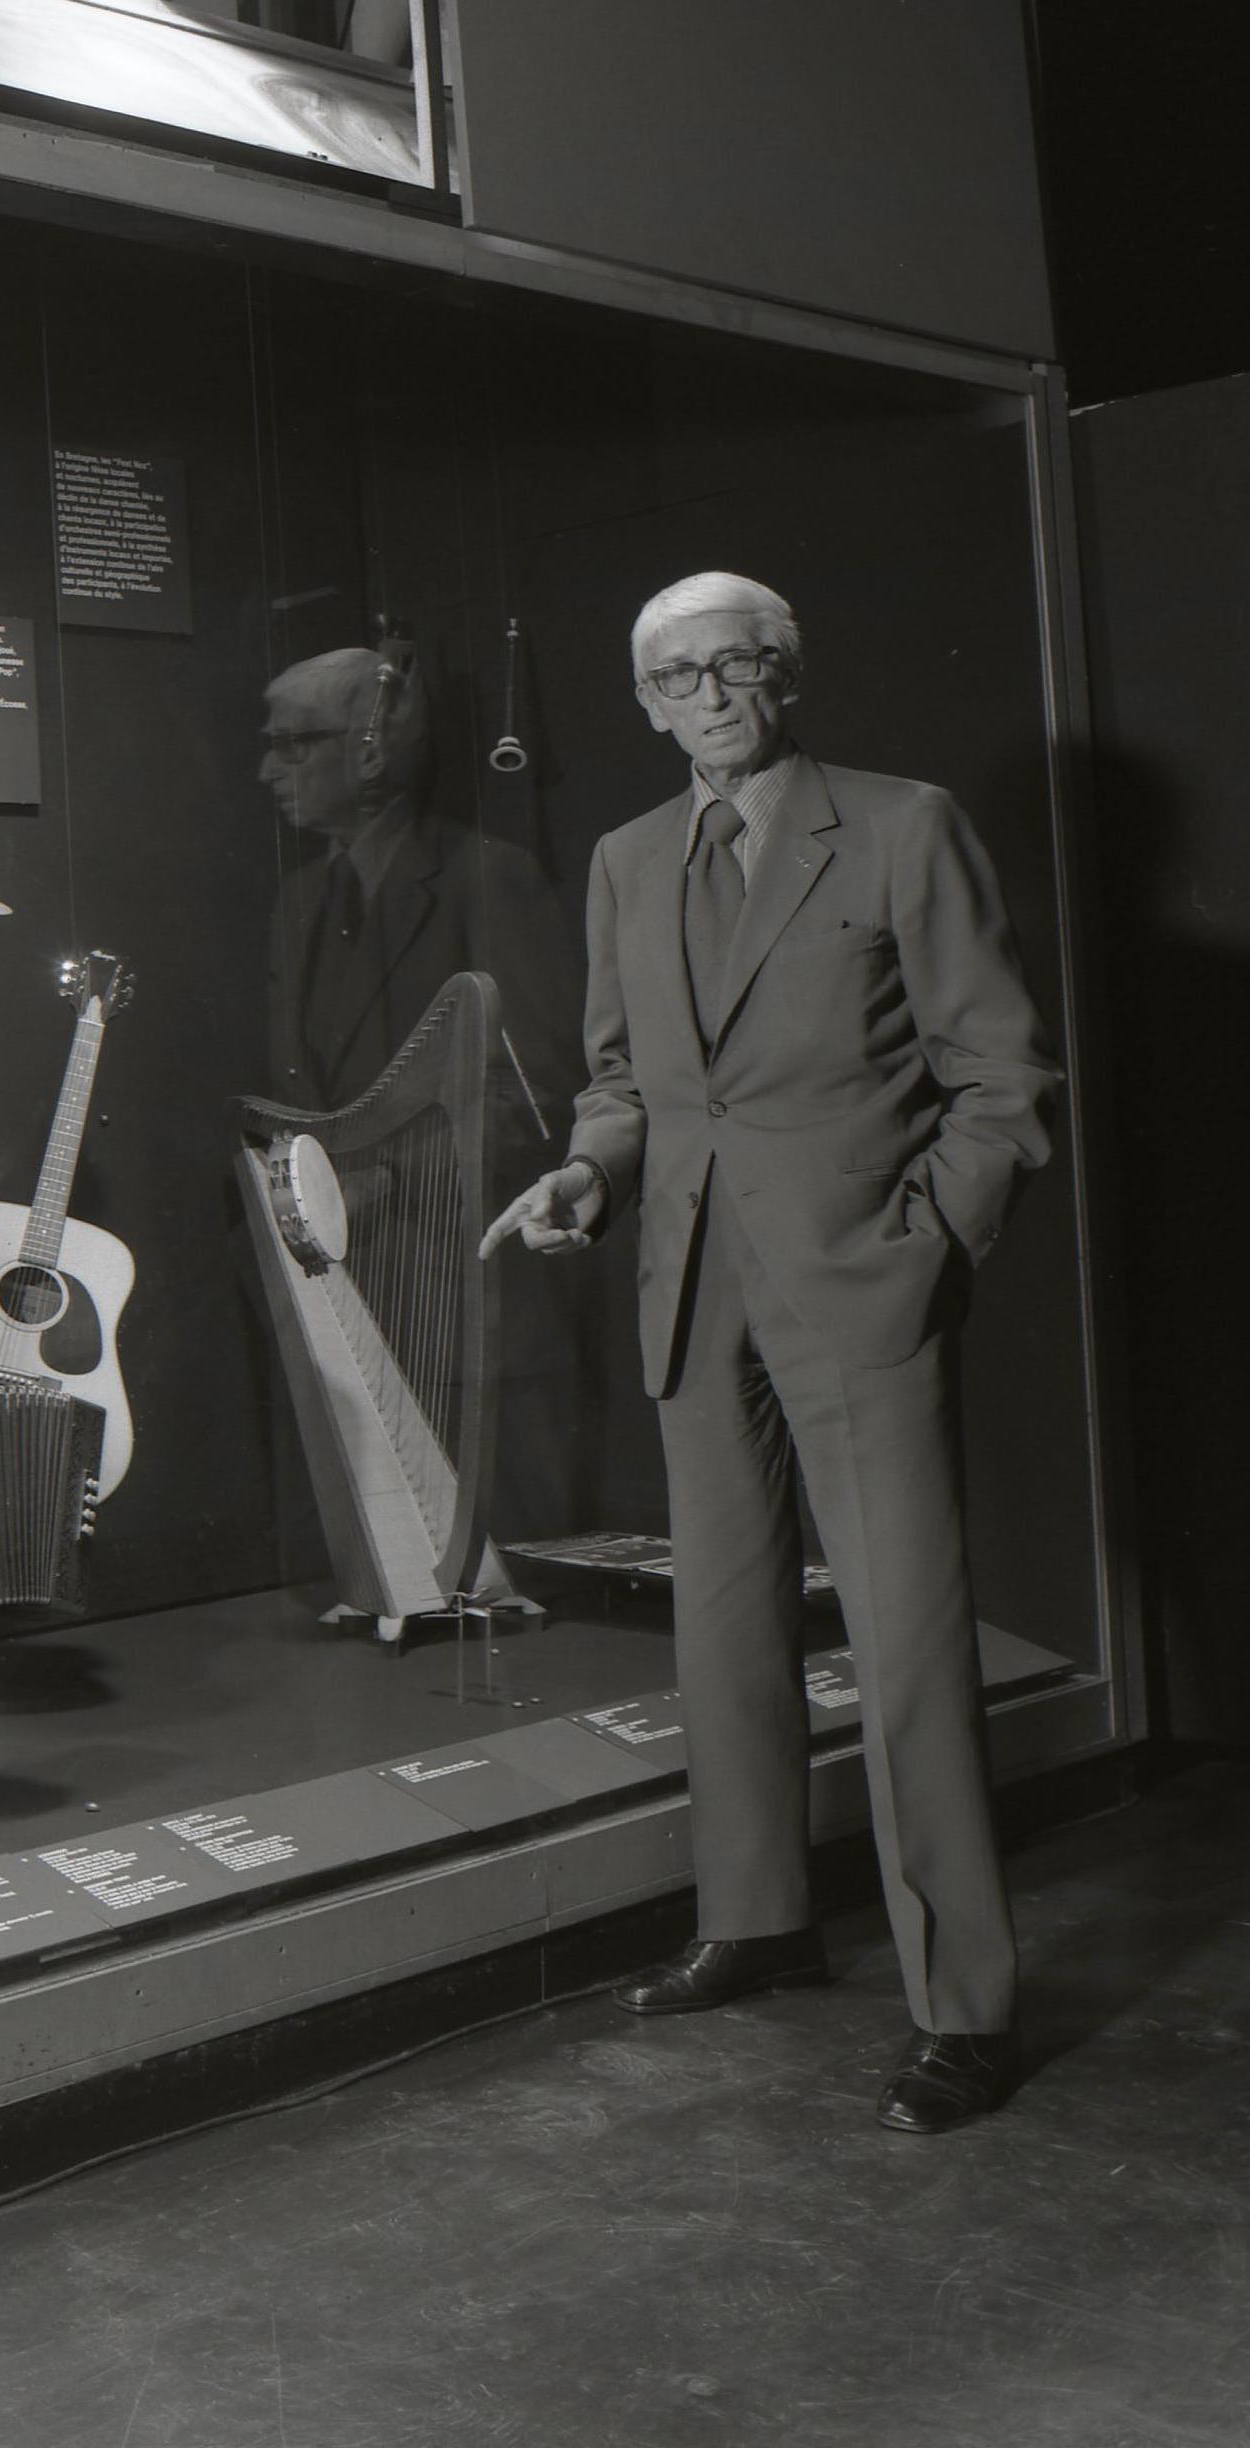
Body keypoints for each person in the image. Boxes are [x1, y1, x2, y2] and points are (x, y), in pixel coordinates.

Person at [481, 572, 1058, 2132]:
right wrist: (587, 1175)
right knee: (719, 1634)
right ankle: (754, 1920)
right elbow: (622, 1083)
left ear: (783, 679)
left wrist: (922, 1243)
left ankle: (964, 2006)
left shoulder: (896, 824)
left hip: (856, 1289)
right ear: (643, 703)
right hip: (689, 1288)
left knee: (907, 1653)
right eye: (677, 675)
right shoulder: (619, 860)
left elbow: (997, 1079)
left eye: (738, 665)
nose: (710, 694)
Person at [260, 643, 589, 1538]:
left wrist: (380, 1183)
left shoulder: (490, 878)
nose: (267, 769)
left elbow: (539, 1089)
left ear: (369, 750)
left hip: (469, 1299)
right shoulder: (299, 902)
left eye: (292, 744)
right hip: (347, 1299)